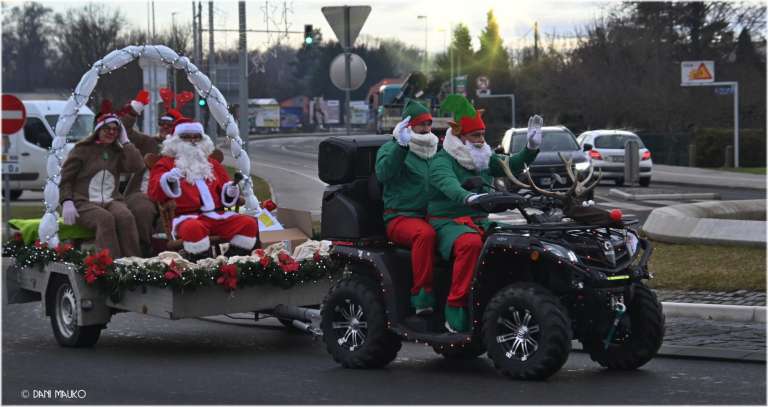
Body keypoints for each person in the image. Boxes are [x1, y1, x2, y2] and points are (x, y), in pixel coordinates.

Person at [428, 94, 542, 332]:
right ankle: (455, 306)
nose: (481, 140)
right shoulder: (442, 161)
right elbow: (448, 184)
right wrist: (467, 197)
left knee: (514, 241)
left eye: (482, 135)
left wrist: (531, 149)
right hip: (447, 222)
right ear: (461, 137)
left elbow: (509, 164)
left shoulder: (481, 158)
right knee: (469, 245)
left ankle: (504, 299)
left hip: (478, 220)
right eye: (475, 136)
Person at [147, 118, 259, 259]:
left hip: (217, 216)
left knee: (248, 223)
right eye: (186, 137)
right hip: (187, 218)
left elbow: (226, 191)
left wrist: (230, 192)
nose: (193, 141)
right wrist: (168, 180)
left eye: (197, 137)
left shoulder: (212, 164)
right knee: (193, 228)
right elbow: (154, 192)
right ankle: (202, 267)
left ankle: (234, 262)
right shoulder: (166, 164)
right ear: (175, 141)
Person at [375, 100, 439, 315]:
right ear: (408, 126)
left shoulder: (433, 151)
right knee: (425, 235)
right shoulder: (390, 148)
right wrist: (400, 147)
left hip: (431, 214)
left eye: (429, 123)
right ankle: (422, 296)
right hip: (400, 217)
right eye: (422, 124)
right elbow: (384, 173)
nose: (427, 128)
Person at [59, 101, 144, 258]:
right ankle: (110, 265)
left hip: (111, 201)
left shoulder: (117, 152)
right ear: (98, 130)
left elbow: (137, 166)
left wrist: (126, 142)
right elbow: (66, 179)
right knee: (104, 219)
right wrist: (67, 201)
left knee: (126, 217)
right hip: (83, 202)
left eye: (115, 130)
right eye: (107, 129)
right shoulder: (82, 150)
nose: (111, 132)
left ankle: (133, 263)